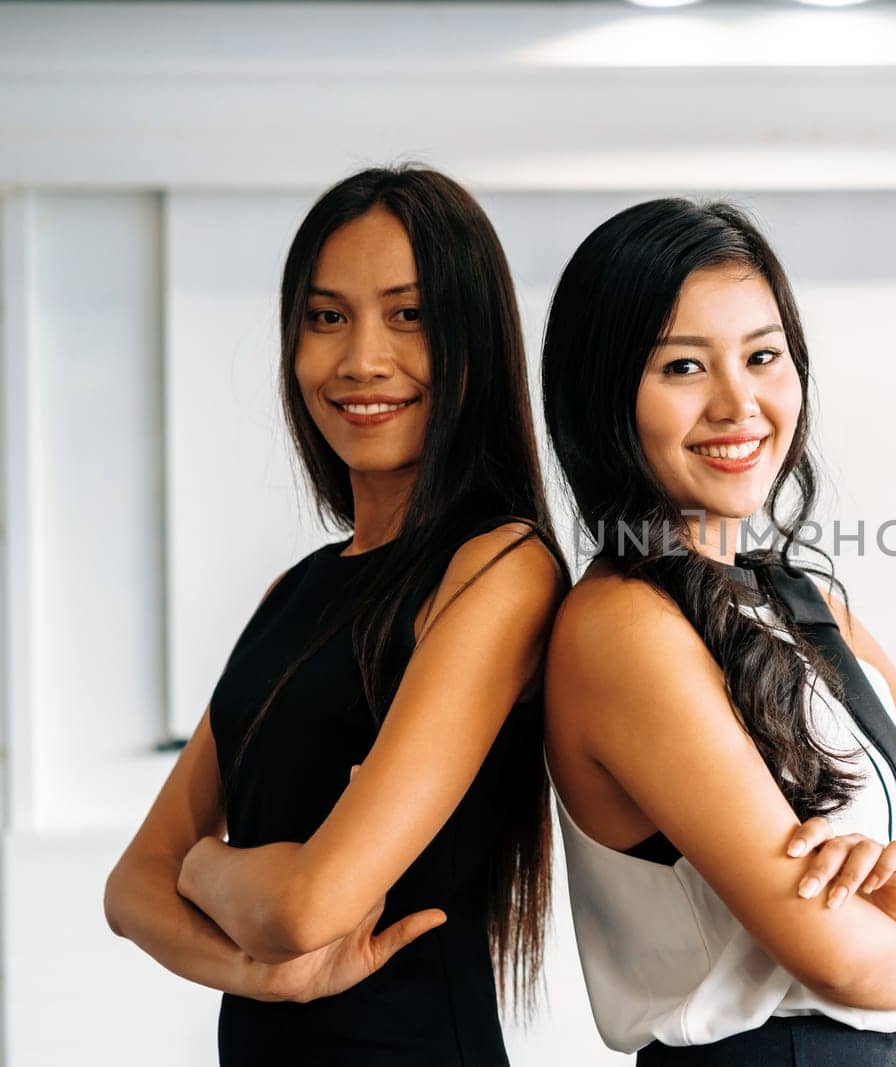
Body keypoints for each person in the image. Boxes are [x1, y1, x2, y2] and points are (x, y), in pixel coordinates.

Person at [540, 198, 896, 1065]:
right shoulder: (620, 624)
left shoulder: (799, 601)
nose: (740, 403)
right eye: (684, 367)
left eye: (764, 356)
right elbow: (834, 954)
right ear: (605, 396)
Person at [103, 166, 567, 1066]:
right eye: (326, 317)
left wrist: (202, 866)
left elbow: (307, 906)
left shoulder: (501, 568)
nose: (361, 360)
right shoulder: (296, 591)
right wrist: (271, 977)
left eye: (409, 315)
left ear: (473, 339)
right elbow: (129, 891)